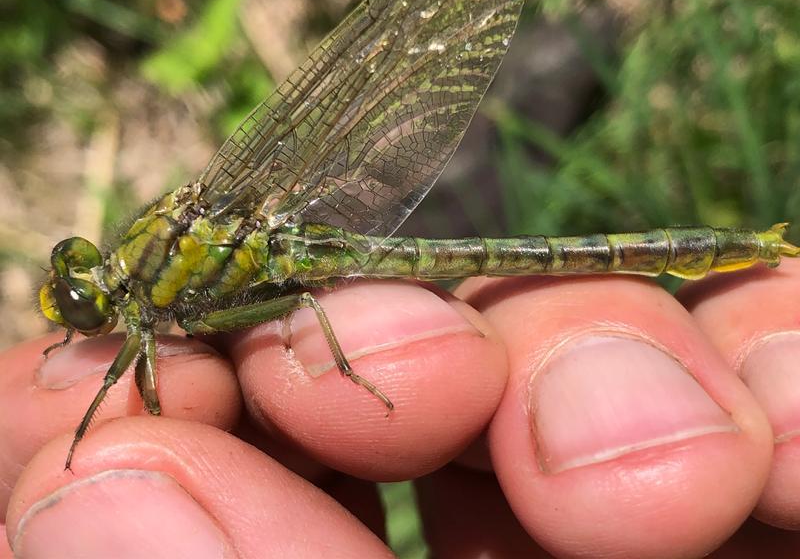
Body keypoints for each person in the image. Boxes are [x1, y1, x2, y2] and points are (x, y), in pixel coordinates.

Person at [2, 264, 800, 557]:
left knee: (317, 315)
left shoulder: (150, 298)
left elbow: (120, 384)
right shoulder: (148, 302)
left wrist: (83, 451)